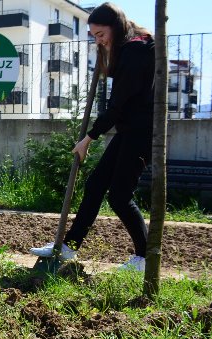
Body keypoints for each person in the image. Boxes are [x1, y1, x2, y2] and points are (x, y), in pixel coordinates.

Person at [30, 2, 154, 272]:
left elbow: (118, 105)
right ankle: (68, 247)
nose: (98, 40)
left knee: (120, 197)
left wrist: (89, 138)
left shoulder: (136, 50)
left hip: (141, 134)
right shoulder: (129, 47)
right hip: (128, 131)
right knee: (96, 184)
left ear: (117, 27)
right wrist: (107, 50)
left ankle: (145, 259)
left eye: (101, 35)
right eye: (94, 36)